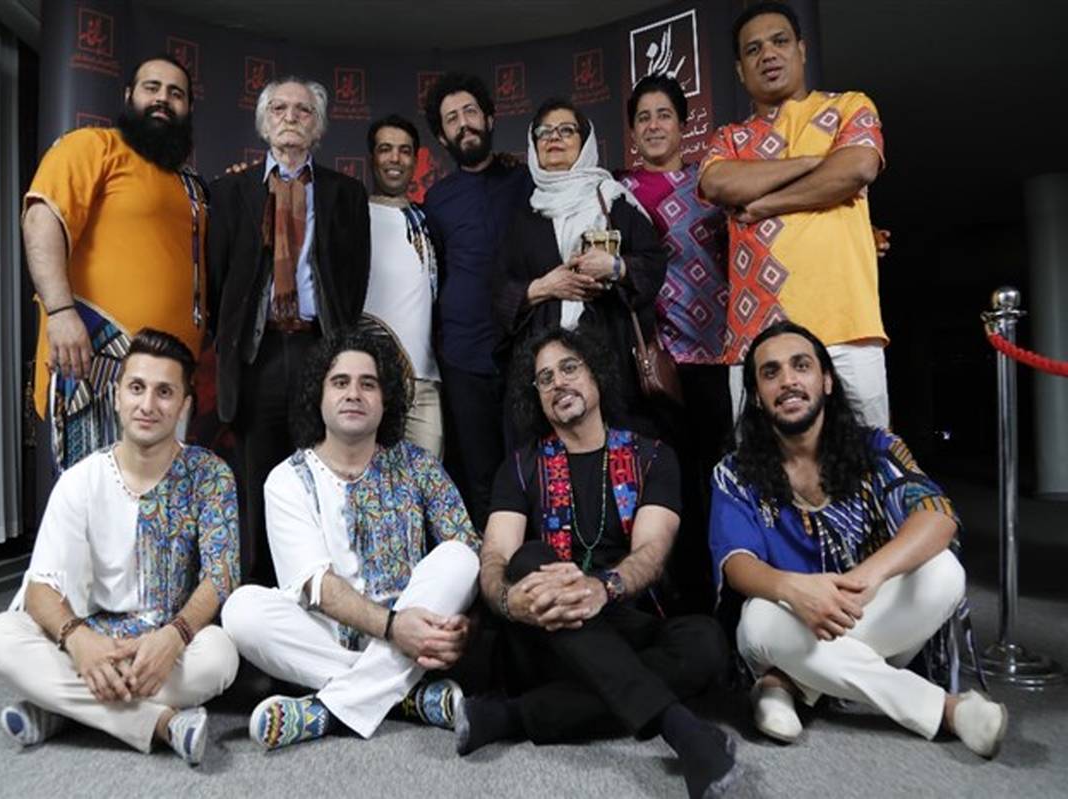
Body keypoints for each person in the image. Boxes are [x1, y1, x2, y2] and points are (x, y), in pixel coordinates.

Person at [709, 320, 1007, 757]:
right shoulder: (734, 473)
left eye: (801, 366)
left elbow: (937, 516)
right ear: (756, 395)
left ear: (827, 381)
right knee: (757, 618)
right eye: (771, 373)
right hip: (784, 619)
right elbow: (737, 564)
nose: (788, 381)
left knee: (944, 572)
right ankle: (946, 711)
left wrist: (866, 579)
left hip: (868, 610)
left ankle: (787, 683)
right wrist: (796, 590)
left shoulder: (877, 448)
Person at [467, 327, 736, 799]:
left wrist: (602, 589)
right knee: (529, 558)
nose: (558, 383)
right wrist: (509, 602)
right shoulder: (521, 466)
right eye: (545, 378)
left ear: (596, 374)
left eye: (569, 368)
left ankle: (512, 716)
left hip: (625, 618)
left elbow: (651, 554)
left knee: (706, 641)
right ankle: (680, 729)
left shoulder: (652, 457)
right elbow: (494, 557)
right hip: (547, 633)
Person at [0, 329, 241, 765]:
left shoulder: (210, 475)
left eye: (164, 392)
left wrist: (174, 636)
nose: (147, 405)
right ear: (117, 396)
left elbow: (221, 577)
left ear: (184, 405)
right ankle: (160, 723)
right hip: (92, 637)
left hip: (166, 645)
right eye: (136, 388)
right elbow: (40, 589)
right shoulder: (81, 480)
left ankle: (61, 710)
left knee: (219, 657)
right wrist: (79, 642)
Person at [221, 328, 480, 750]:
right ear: (319, 397)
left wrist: (464, 624)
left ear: (385, 399)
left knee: (460, 557)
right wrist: (394, 630)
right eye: (340, 382)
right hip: (328, 636)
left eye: (368, 384)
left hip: (413, 622)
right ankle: (406, 695)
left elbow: (467, 549)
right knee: (241, 610)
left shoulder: (418, 466)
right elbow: (317, 588)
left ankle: (327, 709)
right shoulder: (287, 480)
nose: (354, 394)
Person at [208, 76, 370, 587]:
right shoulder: (230, 192)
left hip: (318, 351)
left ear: (317, 127)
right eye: (279, 108)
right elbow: (218, 281)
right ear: (264, 122)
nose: (291, 117)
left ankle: (322, 585)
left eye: (303, 110)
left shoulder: (346, 194)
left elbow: (353, 281)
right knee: (257, 475)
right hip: (257, 356)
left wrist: (335, 346)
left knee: (321, 470)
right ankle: (258, 590)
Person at [699, 2, 890, 428]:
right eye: (753, 49)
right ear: (739, 70)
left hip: (847, 326)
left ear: (801, 50)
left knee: (867, 456)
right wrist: (814, 161)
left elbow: (857, 168)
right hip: (756, 334)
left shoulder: (849, 107)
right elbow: (718, 182)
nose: (768, 54)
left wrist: (766, 204)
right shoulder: (729, 139)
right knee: (760, 464)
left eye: (780, 41)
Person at [24, 55, 208, 471]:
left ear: (188, 109)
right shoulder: (93, 146)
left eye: (175, 94)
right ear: (128, 96)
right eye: (151, 88)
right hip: (96, 360)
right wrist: (60, 311)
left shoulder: (192, 186)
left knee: (156, 504)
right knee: (95, 498)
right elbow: (42, 218)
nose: (162, 99)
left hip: (170, 379)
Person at [618, 75, 731, 612]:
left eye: (664, 114)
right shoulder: (616, 192)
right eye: (643, 117)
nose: (654, 125)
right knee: (666, 486)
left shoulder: (713, 184)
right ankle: (680, 607)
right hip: (652, 362)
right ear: (632, 132)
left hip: (713, 355)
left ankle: (728, 599)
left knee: (719, 480)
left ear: (684, 124)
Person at [493, 98, 667, 439]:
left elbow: (653, 263)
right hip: (543, 365)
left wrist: (615, 266)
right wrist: (545, 287)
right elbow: (499, 292)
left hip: (612, 354)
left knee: (616, 446)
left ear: (584, 142)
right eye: (544, 132)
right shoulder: (524, 216)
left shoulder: (614, 200)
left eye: (566, 130)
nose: (553, 138)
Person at [423, 73, 534, 527]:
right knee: (479, 472)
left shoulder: (527, 181)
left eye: (470, 112)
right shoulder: (436, 200)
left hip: (525, 348)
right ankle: (490, 565)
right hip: (463, 355)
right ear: (442, 136)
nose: (463, 123)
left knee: (530, 464)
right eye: (452, 118)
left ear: (489, 118)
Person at [363, 114, 443, 456]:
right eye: (385, 149)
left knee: (428, 479)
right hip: (370, 380)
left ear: (415, 160)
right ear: (372, 158)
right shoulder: (352, 215)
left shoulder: (429, 219)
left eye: (404, 150)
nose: (395, 158)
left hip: (426, 383)